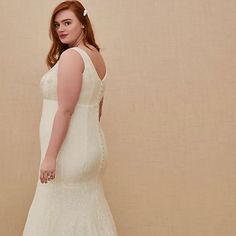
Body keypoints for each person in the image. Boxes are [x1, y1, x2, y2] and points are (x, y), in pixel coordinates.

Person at [22, 0, 118, 235]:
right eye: (57, 25)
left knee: (56, 214)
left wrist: (50, 156)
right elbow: (97, 109)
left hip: (68, 151)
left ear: (83, 23)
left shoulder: (73, 57)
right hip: (90, 148)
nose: (61, 29)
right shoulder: (96, 57)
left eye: (67, 22)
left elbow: (65, 110)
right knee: (85, 211)